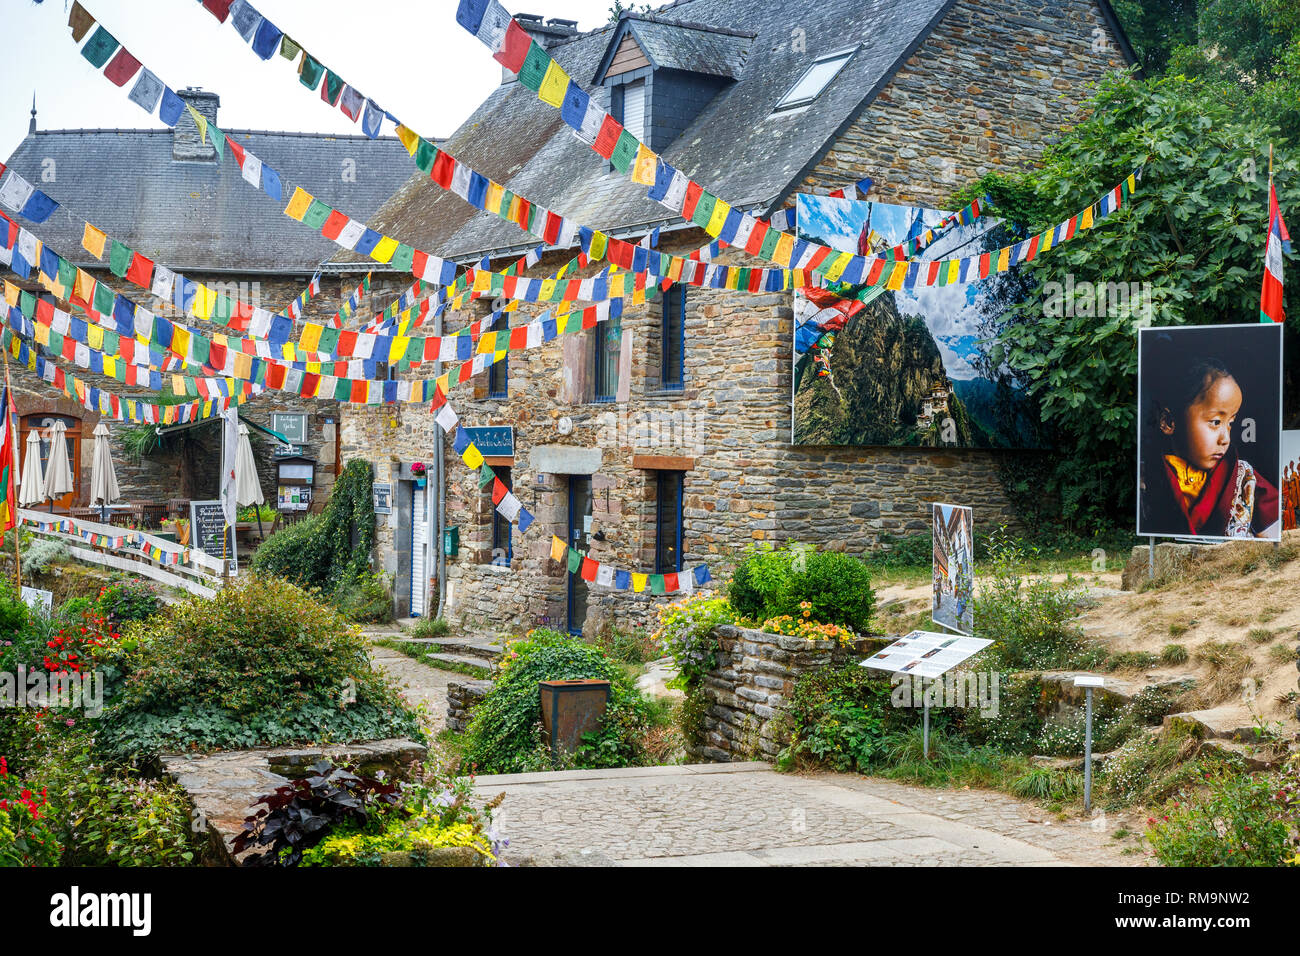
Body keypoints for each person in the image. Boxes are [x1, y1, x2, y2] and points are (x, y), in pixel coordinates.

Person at [1139, 357, 1278, 538]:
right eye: (1215, 422)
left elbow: (1276, 538)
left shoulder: (1243, 476)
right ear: (1169, 422)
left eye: (1230, 423)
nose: (1226, 439)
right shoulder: (1146, 477)